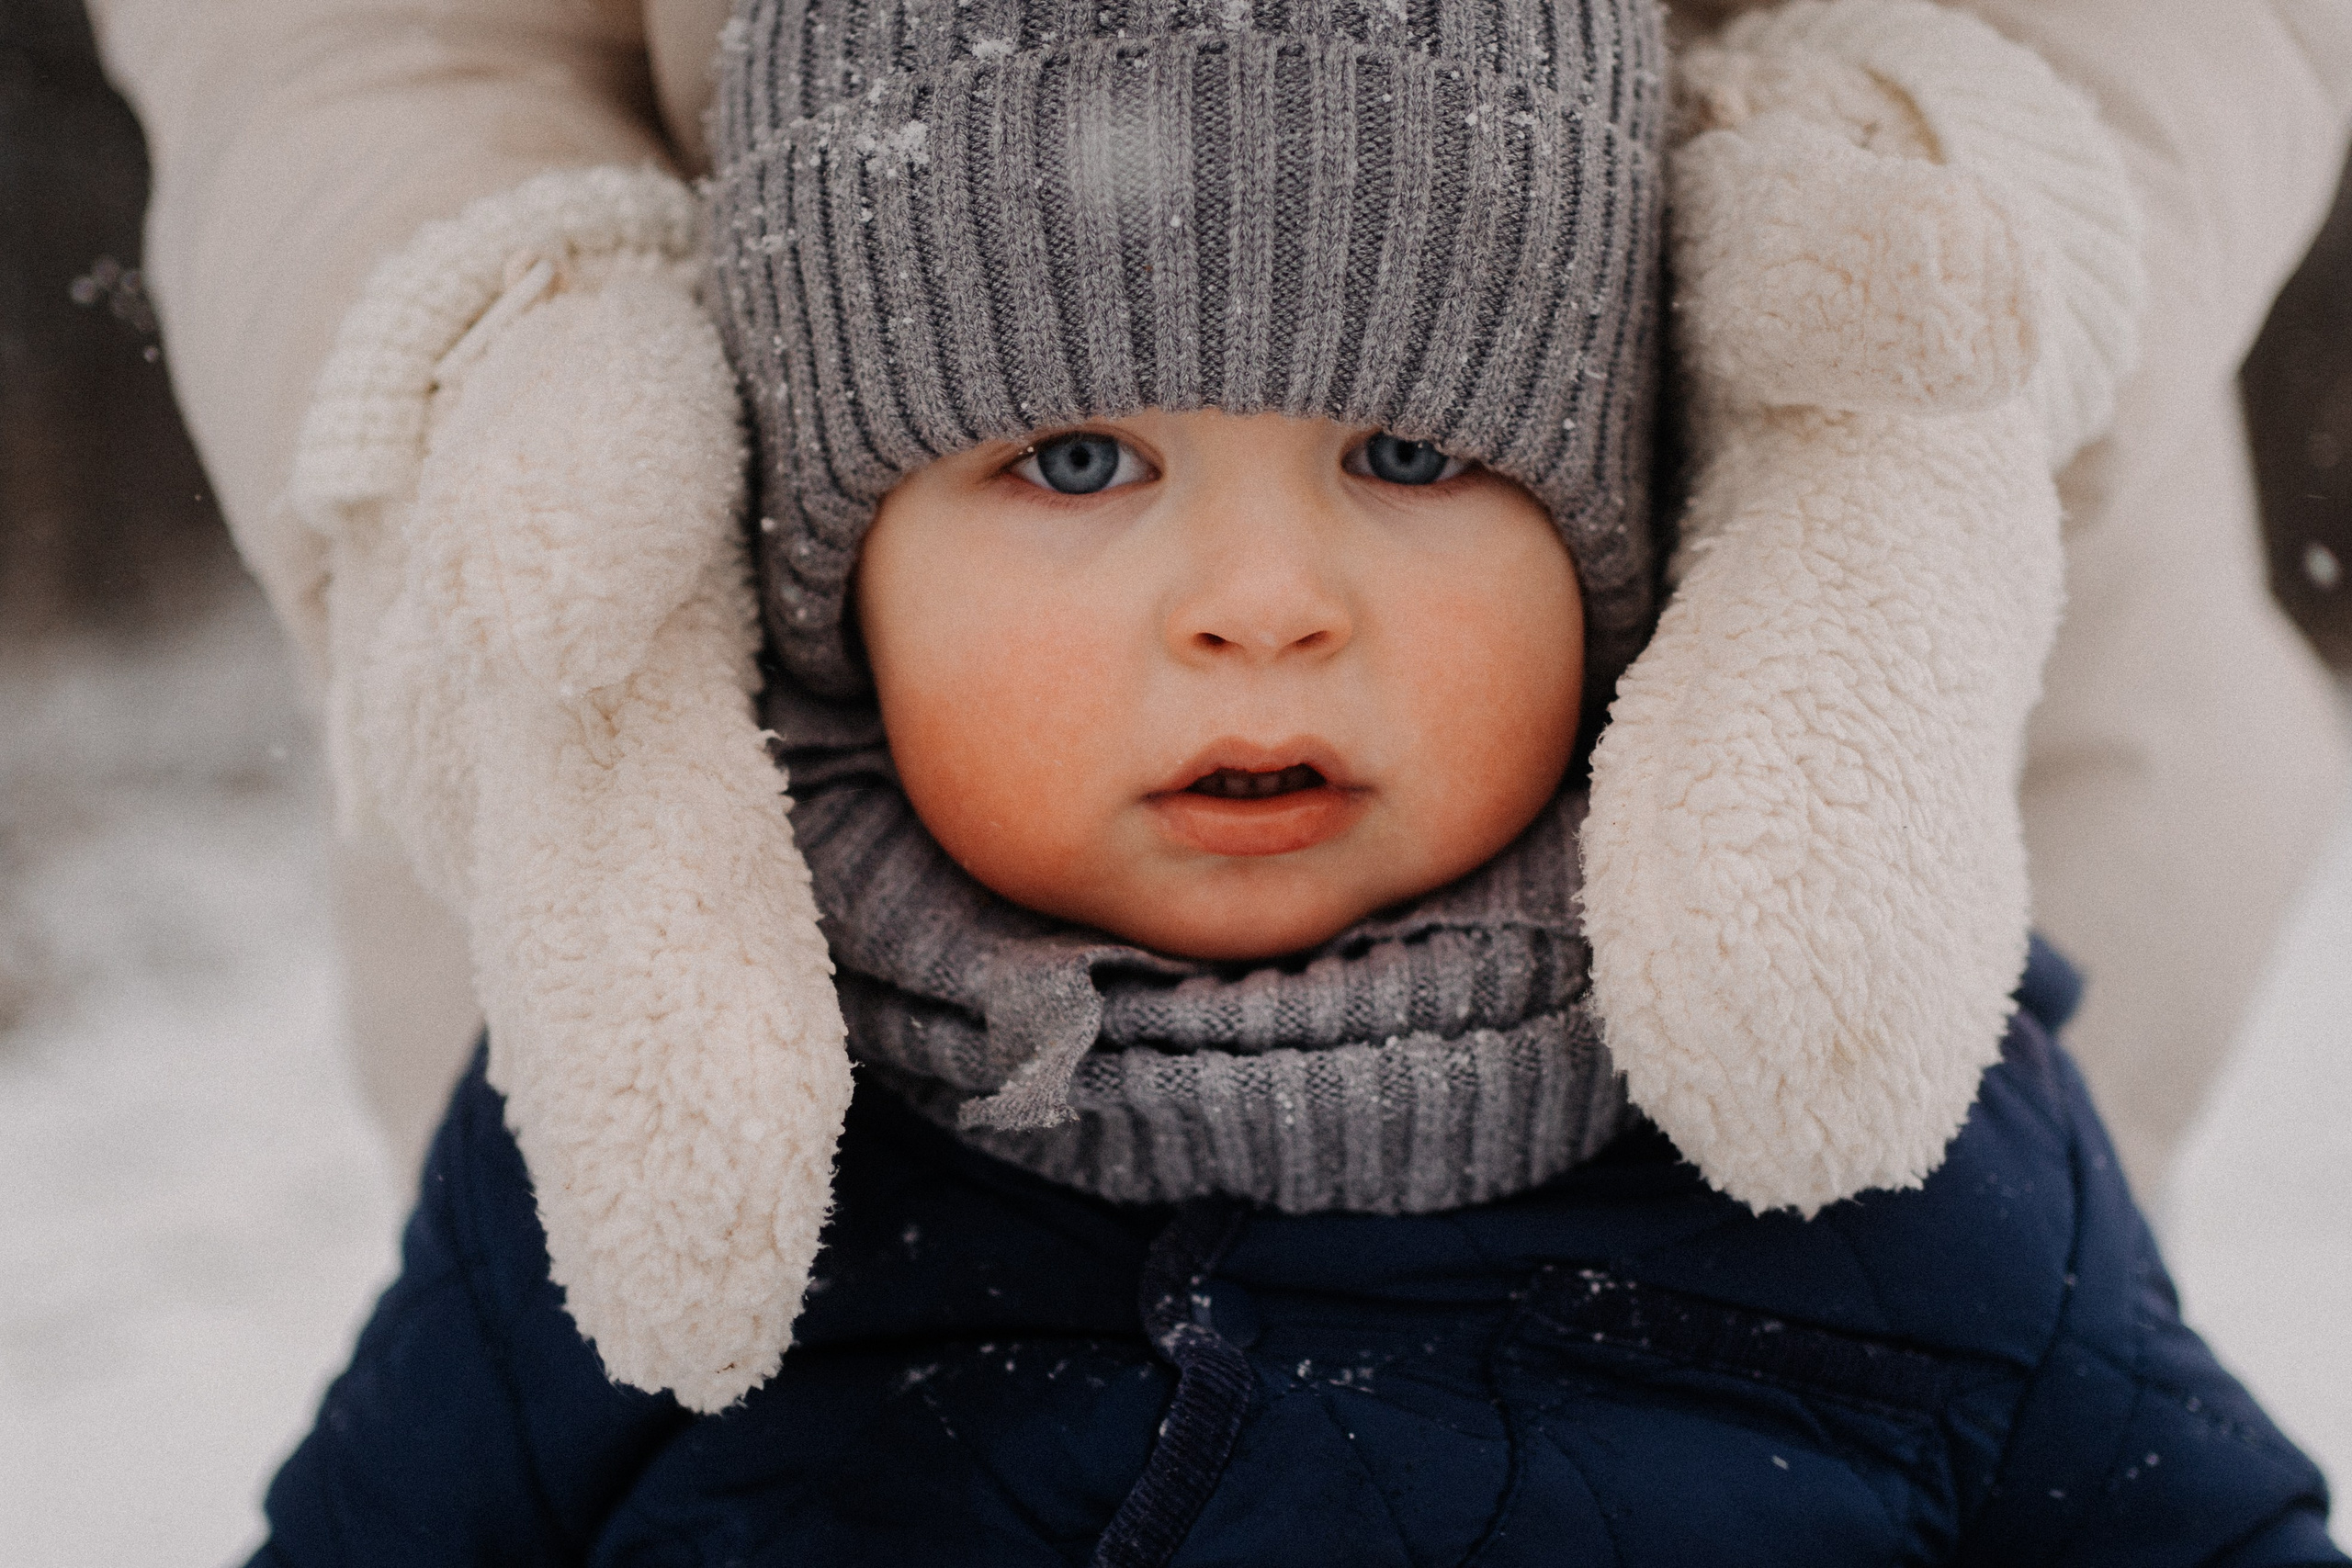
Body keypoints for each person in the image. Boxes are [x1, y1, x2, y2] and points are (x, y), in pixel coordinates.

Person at [232, 0, 2340, 1558]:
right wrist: (488, 361)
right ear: (828, 586)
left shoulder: (1934, 1167)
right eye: (1074, 460)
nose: (1259, 600)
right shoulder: (624, 1162)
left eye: (1411, 456)